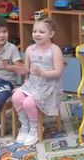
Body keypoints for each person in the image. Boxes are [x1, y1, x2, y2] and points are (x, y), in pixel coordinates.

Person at [11, 18, 63, 146]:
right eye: (35, 31)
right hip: (32, 84)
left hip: (49, 86)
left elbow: (58, 72)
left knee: (28, 102)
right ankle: (25, 125)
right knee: (16, 97)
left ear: (51, 34)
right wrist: (15, 68)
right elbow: (26, 69)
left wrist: (43, 73)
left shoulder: (55, 50)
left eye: (41, 32)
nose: (37, 34)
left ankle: (35, 128)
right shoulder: (30, 49)